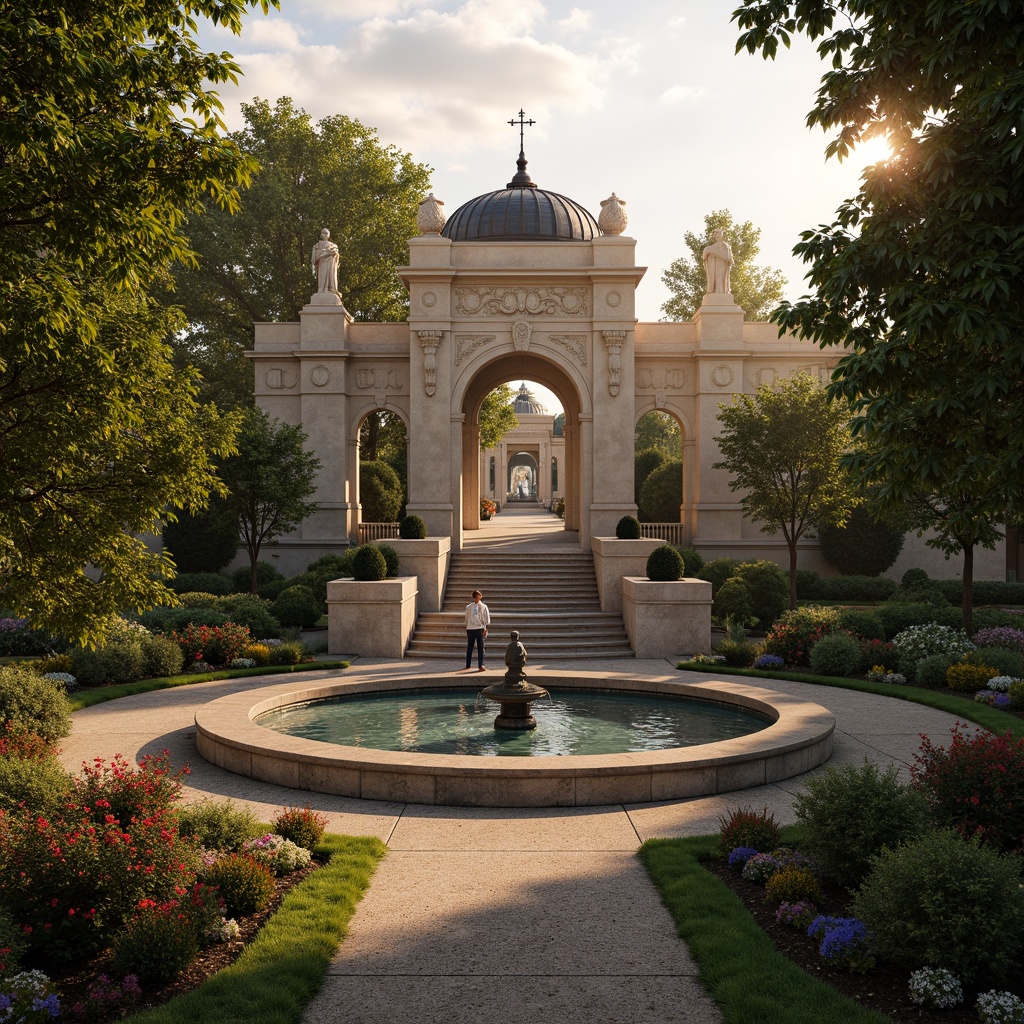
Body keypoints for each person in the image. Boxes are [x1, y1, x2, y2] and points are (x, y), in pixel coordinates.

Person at [464, 589, 490, 671]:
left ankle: (469, 664)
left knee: (471, 647)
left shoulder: (470, 607)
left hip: (472, 628)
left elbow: (466, 619)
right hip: (478, 628)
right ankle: (480, 665)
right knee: (479, 647)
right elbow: (487, 619)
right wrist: (485, 627)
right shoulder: (482, 606)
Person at [702, 227, 733, 294]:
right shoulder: (712, 246)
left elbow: (728, 257)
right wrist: (707, 251)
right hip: (713, 266)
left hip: (722, 265)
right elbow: (704, 257)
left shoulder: (725, 246)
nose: (717, 235)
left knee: (720, 280)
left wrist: (716, 252)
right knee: (714, 280)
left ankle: (721, 293)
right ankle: (714, 291)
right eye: (716, 234)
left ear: (722, 235)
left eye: (719, 234)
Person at [311, 228, 340, 295]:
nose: (325, 235)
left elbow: (336, 255)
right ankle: (322, 289)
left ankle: (330, 288)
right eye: (323, 233)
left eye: (326, 233)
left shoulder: (333, 245)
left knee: (330, 276)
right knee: (322, 276)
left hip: (330, 263)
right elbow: (315, 256)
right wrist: (324, 252)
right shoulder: (317, 245)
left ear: (329, 235)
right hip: (322, 262)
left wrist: (333, 253)